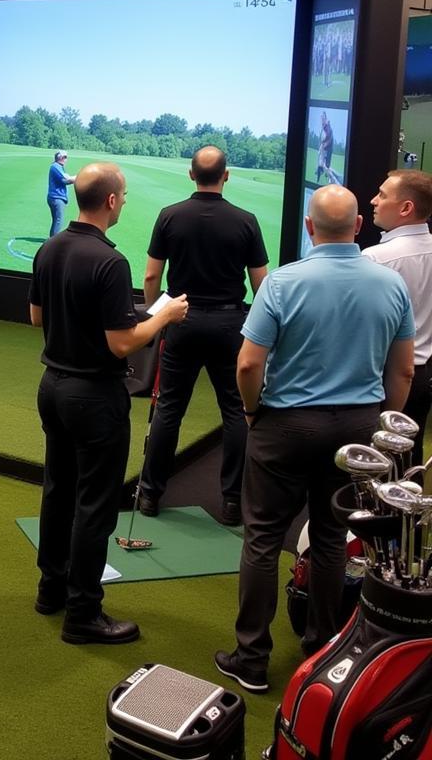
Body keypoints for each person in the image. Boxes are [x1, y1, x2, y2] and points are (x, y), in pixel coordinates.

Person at [215, 186, 414, 694]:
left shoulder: (283, 282)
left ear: (308, 227)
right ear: (358, 228)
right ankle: (322, 647)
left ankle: (251, 658)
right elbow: (404, 370)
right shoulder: (390, 285)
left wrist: (253, 410)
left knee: (262, 538)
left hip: (285, 424)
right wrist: (383, 422)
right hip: (357, 427)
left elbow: (248, 363)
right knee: (329, 538)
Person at [29, 164, 188, 645]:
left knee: (59, 490)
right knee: (95, 506)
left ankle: (51, 589)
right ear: (113, 201)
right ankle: (83, 613)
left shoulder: (50, 246)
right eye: (125, 195)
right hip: (94, 396)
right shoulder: (110, 261)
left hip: (53, 385)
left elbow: (36, 316)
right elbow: (122, 343)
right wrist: (164, 316)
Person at [139, 146, 269, 525]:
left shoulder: (169, 215)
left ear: (190, 174)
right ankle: (231, 503)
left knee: (169, 410)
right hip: (230, 325)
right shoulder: (246, 220)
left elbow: (151, 277)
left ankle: (149, 495)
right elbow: (261, 285)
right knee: (235, 412)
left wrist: (157, 317)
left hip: (181, 320)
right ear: (225, 176)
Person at [364, 169, 432, 451]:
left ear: (406, 208)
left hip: (382, 378)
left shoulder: (375, 259)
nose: (373, 201)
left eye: (382, 195)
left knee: (368, 465)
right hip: (423, 377)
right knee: (407, 460)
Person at [46, 150, 75, 237]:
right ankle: (53, 241)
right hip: (56, 198)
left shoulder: (59, 167)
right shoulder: (56, 166)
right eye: (65, 157)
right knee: (59, 220)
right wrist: (82, 176)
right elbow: (68, 180)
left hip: (56, 198)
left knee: (57, 220)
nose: (66, 159)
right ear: (60, 158)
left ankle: (52, 239)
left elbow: (64, 181)